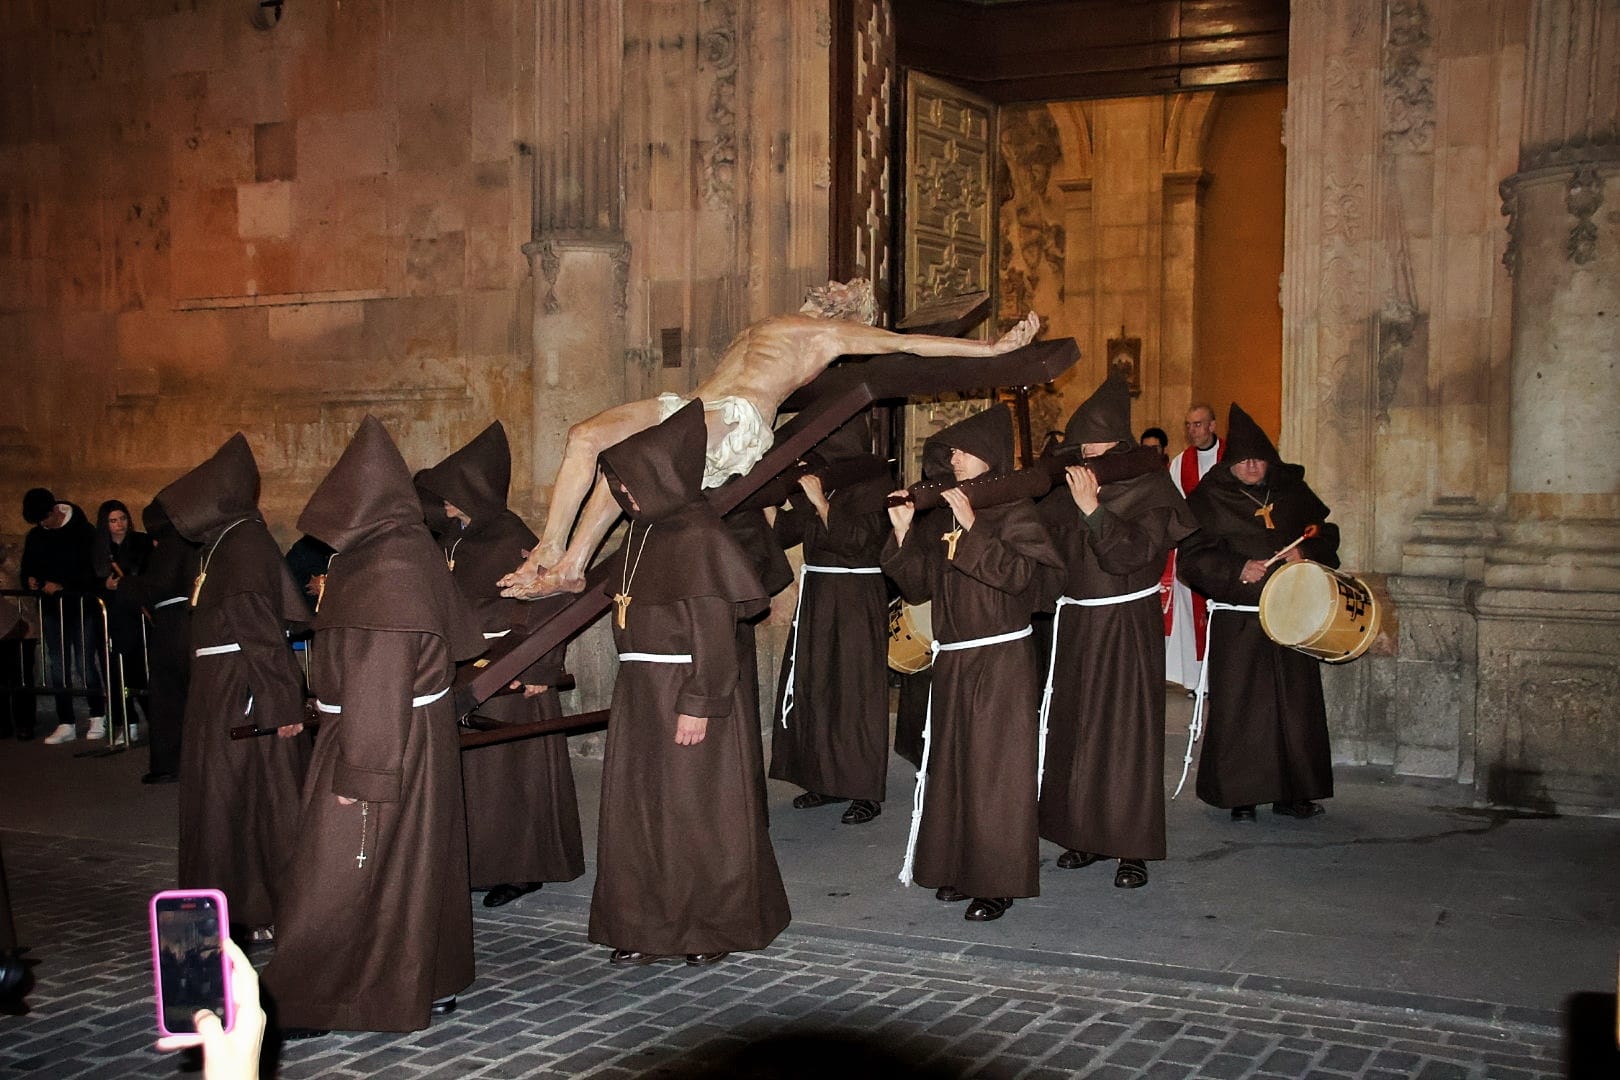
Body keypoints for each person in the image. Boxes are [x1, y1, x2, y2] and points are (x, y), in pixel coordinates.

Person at [499, 280, 1041, 598]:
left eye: (847, 290)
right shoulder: (769, 322)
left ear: (851, 312)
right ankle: (556, 550)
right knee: (586, 437)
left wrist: (991, 351)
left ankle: (572, 564)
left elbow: (913, 345)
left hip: (737, 422)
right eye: (836, 284)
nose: (833, 287)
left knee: (633, 463)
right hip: (693, 407)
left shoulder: (830, 335)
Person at [264, 416, 487, 1033]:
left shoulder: (388, 570)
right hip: (408, 733)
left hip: (380, 737)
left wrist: (360, 770)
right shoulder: (402, 550)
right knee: (410, 860)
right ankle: (416, 978)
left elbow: (380, 676)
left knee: (339, 866)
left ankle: (318, 995)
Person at [587, 401, 789, 967]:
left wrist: (700, 701)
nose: (621, 492)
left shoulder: (699, 536)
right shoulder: (642, 533)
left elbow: (715, 631)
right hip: (640, 692)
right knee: (640, 812)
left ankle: (708, 926)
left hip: (684, 691)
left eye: (628, 481)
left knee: (696, 811)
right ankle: (644, 922)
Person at [881, 405, 1062, 923]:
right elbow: (918, 586)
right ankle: (958, 867)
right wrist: (901, 533)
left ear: (991, 455)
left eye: (963, 450)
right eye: (951, 452)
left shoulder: (1018, 511)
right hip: (955, 659)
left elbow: (1029, 581)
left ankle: (997, 881)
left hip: (1001, 657)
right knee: (955, 766)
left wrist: (973, 530)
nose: (955, 459)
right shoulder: (941, 514)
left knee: (995, 771)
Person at [1035, 374, 1199, 889]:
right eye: (1082, 446)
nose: (1089, 456)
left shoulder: (1152, 489)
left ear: (1121, 446)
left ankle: (1131, 848)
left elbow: (1129, 553)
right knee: (1077, 731)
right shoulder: (1069, 488)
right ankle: (1081, 834)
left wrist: (1093, 510)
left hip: (1127, 624)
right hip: (1077, 623)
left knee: (1126, 733)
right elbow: (1047, 555)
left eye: (1099, 445)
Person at [414, 421, 585, 909]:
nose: (444, 503)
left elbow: (553, 600)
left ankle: (521, 866)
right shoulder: (453, 538)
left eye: (452, 493)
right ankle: (478, 860)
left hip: (511, 665)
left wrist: (539, 668)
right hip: (464, 666)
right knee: (475, 777)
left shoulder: (512, 537)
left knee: (510, 776)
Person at [154, 435, 310, 937]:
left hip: (241, 696)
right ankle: (235, 907)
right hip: (221, 693)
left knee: (245, 803)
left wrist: (283, 704)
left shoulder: (243, 544)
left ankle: (258, 908)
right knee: (225, 803)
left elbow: (261, 633)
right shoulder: (224, 543)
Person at [1176, 404, 1340, 821]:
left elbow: (1326, 534)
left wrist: (1307, 552)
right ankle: (1241, 794)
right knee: (1243, 706)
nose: (1251, 466)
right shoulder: (1208, 500)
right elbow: (1191, 560)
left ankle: (1294, 792)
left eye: (1258, 459)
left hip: (1294, 615)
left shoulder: (1289, 493)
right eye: (1243, 460)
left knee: (1295, 706)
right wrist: (1236, 569)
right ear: (1230, 463)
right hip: (1241, 617)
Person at [770, 424, 894, 825]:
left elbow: (862, 541)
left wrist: (821, 502)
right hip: (820, 595)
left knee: (855, 693)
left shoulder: (875, 484)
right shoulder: (822, 481)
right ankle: (821, 778)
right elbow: (785, 533)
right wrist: (766, 498)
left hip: (856, 600)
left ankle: (863, 791)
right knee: (816, 685)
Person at [113, 502, 199, 783]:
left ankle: (171, 763)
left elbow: (159, 585)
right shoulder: (191, 544)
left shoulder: (170, 547)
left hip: (173, 628)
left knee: (169, 698)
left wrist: (125, 586)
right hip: (186, 624)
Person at [19, 487, 104, 744]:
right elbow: (27, 568)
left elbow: (93, 572)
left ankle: (97, 715)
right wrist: (30, 581)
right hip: (52, 611)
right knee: (58, 666)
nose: (42, 525)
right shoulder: (36, 535)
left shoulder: (84, 533)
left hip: (81, 608)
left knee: (85, 663)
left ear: (55, 510)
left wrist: (64, 586)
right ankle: (65, 720)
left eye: (44, 519)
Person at [1164, 403, 1225, 691]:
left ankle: (1220, 677)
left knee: (1221, 614)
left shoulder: (1231, 458)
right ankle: (1198, 681)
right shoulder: (1180, 463)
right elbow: (1175, 506)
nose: (1192, 430)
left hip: (1227, 549)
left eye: (1198, 424)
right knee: (1192, 615)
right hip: (1195, 549)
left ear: (1213, 426)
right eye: (1188, 425)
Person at [94, 499, 154, 742]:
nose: (119, 524)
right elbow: (88, 578)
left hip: (136, 615)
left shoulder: (140, 542)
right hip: (112, 616)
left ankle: (154, 721)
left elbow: (150, 573)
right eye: (113, 520)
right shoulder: (99, 548)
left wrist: (130, 583)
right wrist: (104, 585)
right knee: (116, 672)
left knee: (140, 670)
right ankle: (127, 722)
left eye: (123, 518)